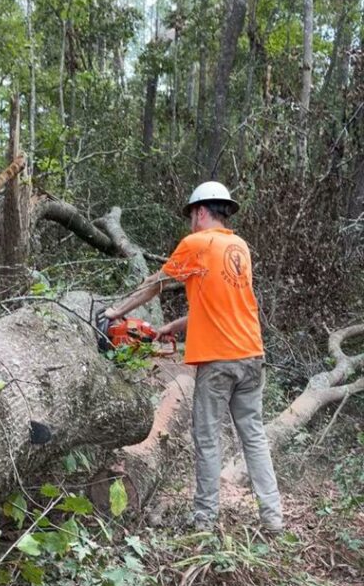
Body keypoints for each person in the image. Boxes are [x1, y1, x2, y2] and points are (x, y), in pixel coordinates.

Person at [103, 181, 282, 532]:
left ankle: (204, 520)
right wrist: (171, 325)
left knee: (207, 436)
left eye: (191, 216)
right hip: (251, 355)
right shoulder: (239, 247)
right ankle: (273, 518)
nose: (190, 223)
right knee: (254, 436)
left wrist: (115, 311)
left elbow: (154, 283)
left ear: (200, 212)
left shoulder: (197, 243)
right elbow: (218, 305)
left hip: (219, 360)